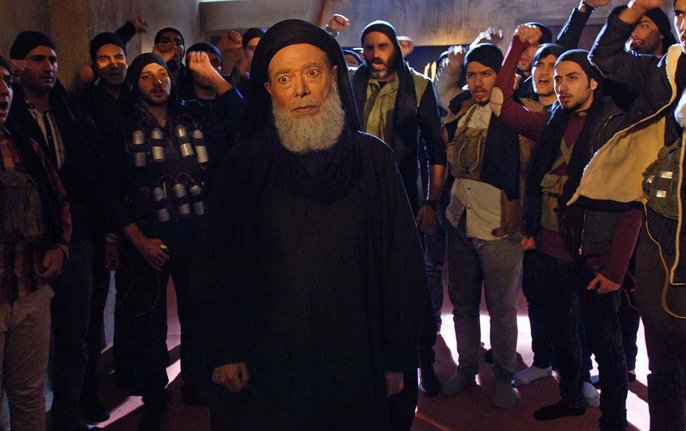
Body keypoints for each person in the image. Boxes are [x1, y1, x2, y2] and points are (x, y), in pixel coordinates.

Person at [195, 18, 428, 431]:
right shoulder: (244, 166)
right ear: (269, 90)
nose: (300, 90)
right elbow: (218, 264)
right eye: (285, 79)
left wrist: (397, 355)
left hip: (357, 353)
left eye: (312, 73)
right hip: (270, 357)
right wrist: (225, 349)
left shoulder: (373, 159)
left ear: (333, 76)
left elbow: (401, 263)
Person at [105, 50, 240, 430]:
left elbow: (240, 116)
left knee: (197, 314)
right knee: (149, 326)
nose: (157, 82)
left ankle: (196, 384)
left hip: (196, 234)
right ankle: (155, 397)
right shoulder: (122, 125)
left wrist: (212, 75)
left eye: (162, 74)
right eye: (146, 76)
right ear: (135, 84)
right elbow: (110, 189)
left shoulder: (193, 114)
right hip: (149, 239)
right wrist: (136, 240)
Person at [589, 1, 686, 428]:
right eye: (680, 12)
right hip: (662, 227)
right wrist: (638, 7)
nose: (684, 21)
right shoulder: (670, 66)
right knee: (663, 361)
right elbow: (605, 58)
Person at [7, 31, 101, 431]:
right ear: (18, 65)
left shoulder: (68, 111)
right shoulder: (11, 118)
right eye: (37, 59)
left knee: (76, 334)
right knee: (28, 345)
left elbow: (86, 176)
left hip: (74, 239)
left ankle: (68, 412)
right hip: (26, 247)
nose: (48, 67)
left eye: (52, 59)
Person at [352, 20, 446, 399]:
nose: (375, 54)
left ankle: (424, 361)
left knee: (411, 285)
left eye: (382, 46)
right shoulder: (351, 84)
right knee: (363, 283)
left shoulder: (419, 86)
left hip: (405, 197)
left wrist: (432, 203)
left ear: (395, 47)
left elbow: (436, 150)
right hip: (357, 201)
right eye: (369, 47)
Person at [439, 43, 522, 409]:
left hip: (499, 226)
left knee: (502, 309)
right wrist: (453, 67)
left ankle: (504, 376)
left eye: (485, 74)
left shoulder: (515, 112)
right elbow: (443, 92)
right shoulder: (462, 107)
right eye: (471, 75)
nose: (477, 82)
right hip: (459, 219)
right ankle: (466, 367)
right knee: (462, 304)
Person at [0, 55, 71, 431]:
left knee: (29, 397)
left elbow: (59, 199)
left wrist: (61, 246)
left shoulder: (24, 144)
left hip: (29, 288)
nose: (3, 91)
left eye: (7, 81)